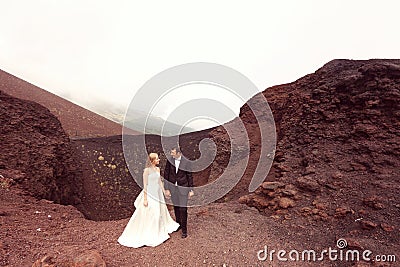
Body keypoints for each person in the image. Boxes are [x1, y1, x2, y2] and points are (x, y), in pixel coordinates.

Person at [118, 153, 179, 248]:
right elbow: (145, 185)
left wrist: (164, 191)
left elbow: (159, 182)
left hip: (158, 193)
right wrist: (145, 199)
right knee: (153, 212)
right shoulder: (146, 171)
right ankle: (153, 231)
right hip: (150, 193)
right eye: (157, 159)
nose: (159, 160)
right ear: (152, 160)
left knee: (160, 210)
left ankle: (160, 227)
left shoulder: (157, 169)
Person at [163, 147, 194, 238]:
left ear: (178, 153)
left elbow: (190, 176)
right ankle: (178, 224)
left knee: (183, 209)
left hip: (183, 188)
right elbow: (166, 174)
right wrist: (167, 189)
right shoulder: (170, 161)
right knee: (176, 207)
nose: (171, 154)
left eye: (173, 152)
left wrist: (191, 190)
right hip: (173, 188)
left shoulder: (187, 162)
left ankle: (184, 230)